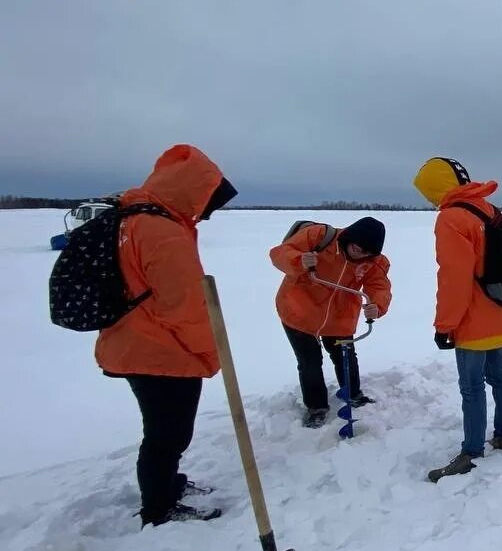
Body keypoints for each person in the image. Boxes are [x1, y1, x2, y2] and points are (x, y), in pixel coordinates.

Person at [95, 144, 238, 527]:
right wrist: (211, 353)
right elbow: (187, 308)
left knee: (162, 431)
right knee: (167, 435)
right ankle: (159, 509)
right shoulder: (163, 233)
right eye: (210, 204)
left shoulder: (135, 217)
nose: (207, 215)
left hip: (133, 341)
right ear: (195, 192)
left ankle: (168, 484)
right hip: (160, 351)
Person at [413, 156, 502, 482]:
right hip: (501, 312)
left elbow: (454, 278)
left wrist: (445, 325)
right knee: (499, 376)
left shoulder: (452, 218)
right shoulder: (487, 209)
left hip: (473, 321)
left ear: (437, 189)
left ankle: (471, 452)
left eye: (428, 194)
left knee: (472, 387)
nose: (430, 202)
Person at [269, 217, 392, 428]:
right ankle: (316, 407)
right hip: (299, 310)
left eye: (366, 253)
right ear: (349, 238)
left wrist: (377, 306)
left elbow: (379, 287)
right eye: (357, 249)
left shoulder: (375, 262)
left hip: (339, 315)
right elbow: (279, 253)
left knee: (345, 355)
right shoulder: (319, 236)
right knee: (310, 361)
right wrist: (299, 260)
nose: (360, 255)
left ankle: (353, 394)